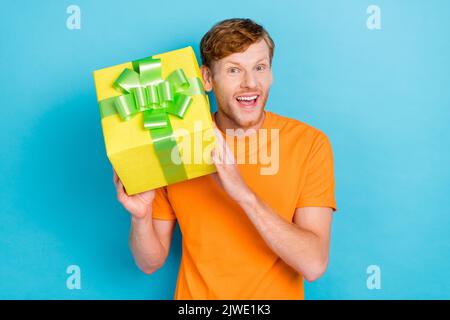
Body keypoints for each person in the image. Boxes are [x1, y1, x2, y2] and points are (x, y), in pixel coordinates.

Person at [113, 18, 337, 299]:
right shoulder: (174, 145)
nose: (250, 84)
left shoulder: (309, 144)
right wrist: (141, 217)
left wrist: (243, 194)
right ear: (206, 79)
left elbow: (314, 264)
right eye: (234, 70)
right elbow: (150, 263)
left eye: (260, 67)